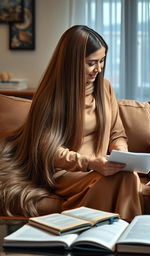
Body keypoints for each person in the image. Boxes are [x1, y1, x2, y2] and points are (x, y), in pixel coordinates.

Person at [0, 25, 142, 220]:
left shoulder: (105, 88)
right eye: (92, 63)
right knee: (119, 180)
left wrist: (123, 156)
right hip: (67, 172)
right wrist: (89, 163)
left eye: (102, 61)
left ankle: (116, 239)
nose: (99, 69)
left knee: (127, 176)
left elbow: (117, 133)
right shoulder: (51, 96)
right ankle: (117, 239)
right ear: (73, 62)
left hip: (99, 166)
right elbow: (49, 150)